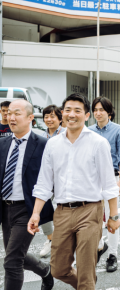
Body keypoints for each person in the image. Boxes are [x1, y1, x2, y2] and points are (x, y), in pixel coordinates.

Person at [28, 93, 120, 289]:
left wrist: (113, 215)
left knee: (86, 271)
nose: (72, 114)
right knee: (58, 269)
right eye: (68, 110)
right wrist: (36, 213)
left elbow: (108, 184)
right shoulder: (53, 144)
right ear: (62, 114)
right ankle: (85, 286)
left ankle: (86, 285)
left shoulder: (98, 143)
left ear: (87, 115)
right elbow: (44, 183)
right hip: (61, 211)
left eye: (77, 111)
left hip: (90, 210)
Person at [0, 99, 54, 290]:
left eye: (16, 113)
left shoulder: (43, 144)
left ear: (30, 117)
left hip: (27, 209)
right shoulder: (3, 143)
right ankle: (45, 270)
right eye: (8, 113)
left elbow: (50, 179)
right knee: (16, 256)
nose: (10, 117)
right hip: (5, 208)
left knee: (12, 261)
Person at [89, 96, 120, 272]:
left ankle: (113, 254)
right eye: (95, 110)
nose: (98, 113)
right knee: (93, 216)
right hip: (90, 180)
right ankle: (99, 246)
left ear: (109, 112)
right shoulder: (87, 131)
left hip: (111, 178)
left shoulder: (118, 130)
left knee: (112, 217)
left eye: (101, 110)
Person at [39, 105, 65, 258]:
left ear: (60, 118)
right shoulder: (41, 137)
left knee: (65, 211)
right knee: (42, 205)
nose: (48, 119)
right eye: (46, 116)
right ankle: (50, 239)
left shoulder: (66, 134)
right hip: (47, 178)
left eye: (52, 116)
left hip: (63, 178)